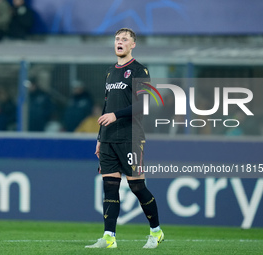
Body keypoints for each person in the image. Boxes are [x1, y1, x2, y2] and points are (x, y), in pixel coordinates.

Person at [85, 28, 164, 249]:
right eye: (117, 39)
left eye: (125, 39)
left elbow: (144, 104)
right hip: (109, 138)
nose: (119, 42)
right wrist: (100, 137)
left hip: (130, 137)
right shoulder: (110, 72)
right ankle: (109, 237)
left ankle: (156, 232)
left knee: (137, 186)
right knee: (110, 186)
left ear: (133, 45)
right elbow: (106, 105)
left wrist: (116, 115)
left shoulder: (140, 70)